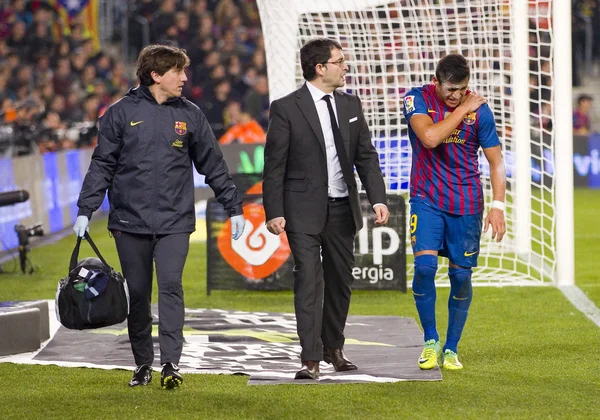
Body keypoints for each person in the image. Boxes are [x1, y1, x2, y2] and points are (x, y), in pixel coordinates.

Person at [73, 44, 246, 389]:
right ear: (156, 75)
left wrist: (233, 206)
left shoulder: (191, 114)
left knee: (170, 287)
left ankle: (171, 364)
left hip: (174, 222)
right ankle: (142, 364)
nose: (184, 78)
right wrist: (85, 209)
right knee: (137, 295)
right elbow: (102, 165)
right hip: (129, 223)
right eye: (177, 71)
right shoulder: (119, 113)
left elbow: (213, 164)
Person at [262, 38, 390, 380]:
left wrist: (377, 197)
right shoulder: (286, 107)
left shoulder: (351, 104)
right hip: (301, 210)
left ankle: (334, 346)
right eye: (340, 61)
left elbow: (366, 156)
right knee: (308, 280)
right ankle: (310, 357)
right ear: (320, 68)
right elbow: (274, 165)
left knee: (340, 281)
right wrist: (273, 210)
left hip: (342, 210)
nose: (345, 66)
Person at [402, 53, 506, 370]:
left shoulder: (481, 112)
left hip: (466, 204)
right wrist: (462, 110)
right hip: (427, 199)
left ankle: (451, 348)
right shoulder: (416, 98)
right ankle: (431, 340)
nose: (455, 95)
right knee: (423, 269)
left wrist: (498, 205)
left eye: (461, 89)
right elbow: (430, 138)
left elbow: (496, 162)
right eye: (449, 89)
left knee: (461, 277)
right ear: (436, 82)